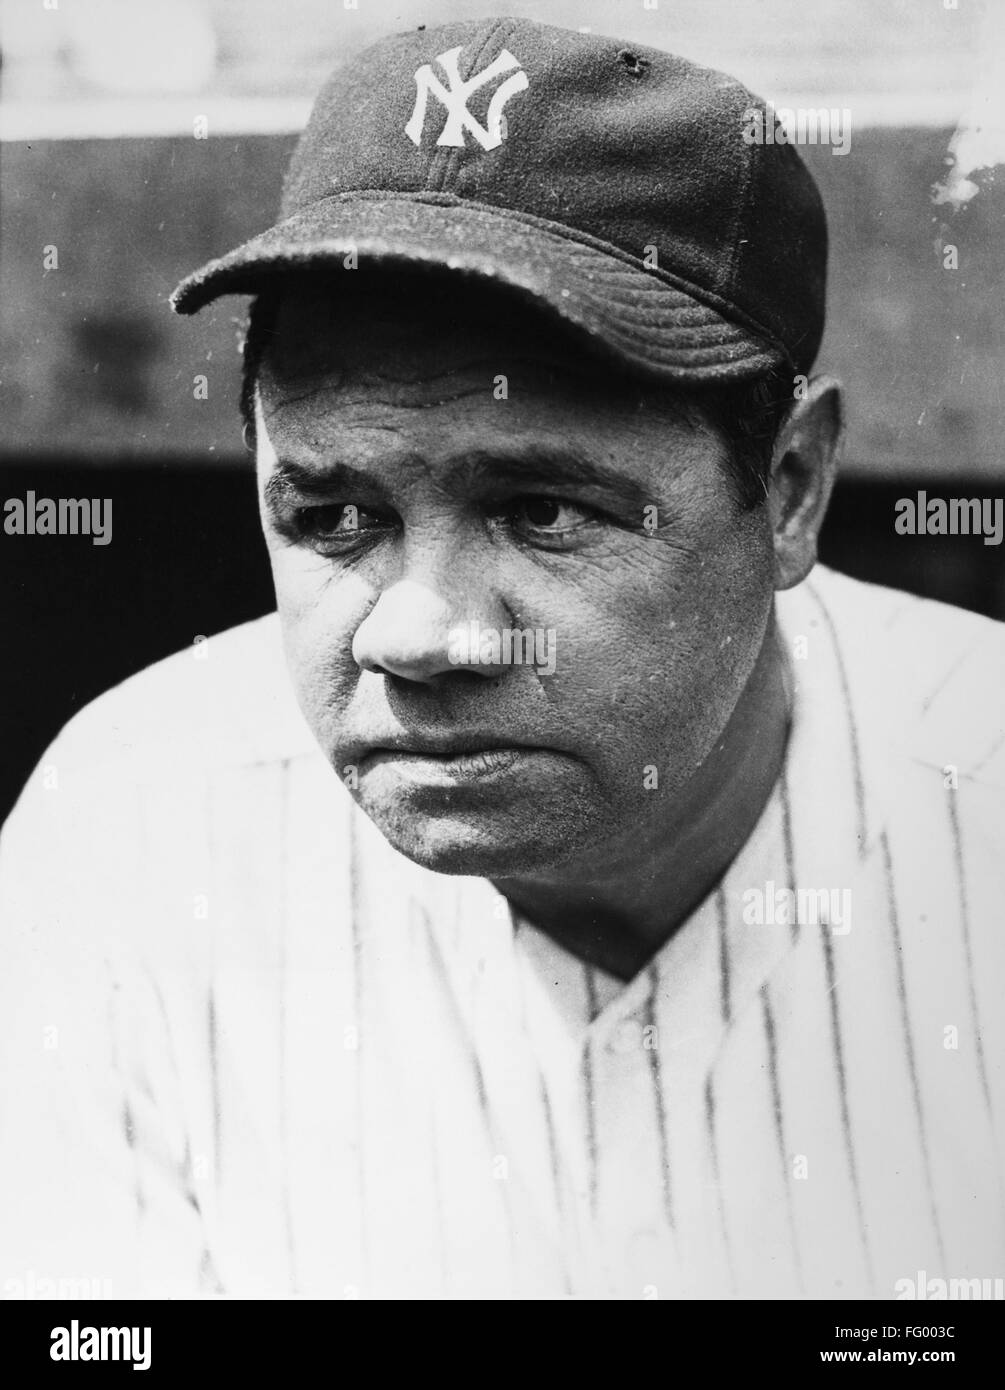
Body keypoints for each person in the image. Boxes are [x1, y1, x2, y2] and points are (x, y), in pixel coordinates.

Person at [1, 17, 1002, 1301]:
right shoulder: (132, 832)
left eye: (544, 511)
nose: (415, 633)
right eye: (333, 518)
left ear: (792, 490)